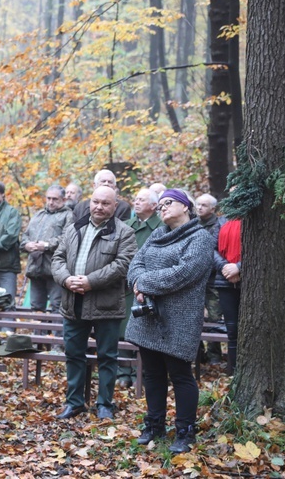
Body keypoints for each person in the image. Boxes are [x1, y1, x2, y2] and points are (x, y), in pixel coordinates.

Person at [125, 188, 215, 454]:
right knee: (152, 373)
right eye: (160, 204)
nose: (161, 208)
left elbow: (184, 273)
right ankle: (155, 425)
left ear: (185, 206)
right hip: (149, 315)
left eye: (168, 203)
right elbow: (136, 263)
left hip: (180, 318)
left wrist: (144, 282)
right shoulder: (158, 234)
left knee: (180, 375)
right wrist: (137, 280)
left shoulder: (200, 238)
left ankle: (185, 431)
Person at [51, 186, 137, 420]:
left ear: (115, 205)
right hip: (73, 302)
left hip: (106, 305)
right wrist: (66, 279)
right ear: (90, 202)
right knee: (74, 354)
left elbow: (122, 265)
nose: (99, 207)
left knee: (107, 356)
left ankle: (104, 404)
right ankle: (75, 402)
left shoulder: (124, 232)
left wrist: (91, 281)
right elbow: (57, 258)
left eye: (105, 203)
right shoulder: (73, 227)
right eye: (95, 202)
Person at [117, 188, 163, 387]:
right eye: (135, 199)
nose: (136, 202)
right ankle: (122, 373)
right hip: (123, 286)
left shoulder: (161, 227)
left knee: (142, 330)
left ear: (154, 205)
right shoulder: (126, 225)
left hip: (147, 287)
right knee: (121, 329)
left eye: (141, 200)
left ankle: (140, 374)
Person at [20, 185, 74, 312]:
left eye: (55, 199)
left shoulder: (68, 215)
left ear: (63, 199)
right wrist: (27, 245)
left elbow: (67, 238)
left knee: (57, 305)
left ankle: (56, 333)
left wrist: (46, 245)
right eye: (48, 198)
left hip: (56, 269)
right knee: (36, 306)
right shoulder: (39, 215)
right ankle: (37, 332)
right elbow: (25, 236)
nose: (51, 202)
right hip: (35, 268)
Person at [196, 193, 226, 362]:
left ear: (213, 208)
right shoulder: (192, 224)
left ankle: (214, 355)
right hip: (195, 279)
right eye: (198, 204)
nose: (199, 208)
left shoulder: (220, 225)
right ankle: (197, 354)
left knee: (215, 317)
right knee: (194, 316)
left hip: (213, 278)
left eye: (204, 205)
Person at [214, 218, 241, 375]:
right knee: (232, 331)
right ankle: (234, 376)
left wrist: (239, 267)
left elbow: (264, 249)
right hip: (225, 282)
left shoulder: (259, 216)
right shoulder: (221, 221)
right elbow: (212, 249)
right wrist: (225, 267)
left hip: (251, 281)